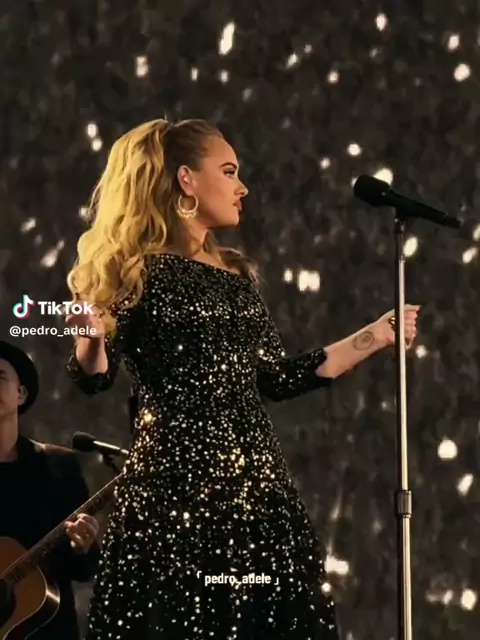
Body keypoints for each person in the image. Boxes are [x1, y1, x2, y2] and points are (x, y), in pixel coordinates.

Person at [65, 118, 419, 640]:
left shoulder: (236, 274)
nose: (242, 187)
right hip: (173, 497)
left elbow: (275, 377)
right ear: (186, 179)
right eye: (229, 171)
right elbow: (94, 377)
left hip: (258, 496)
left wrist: (375, 334)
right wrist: (91, 337)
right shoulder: (135, 271)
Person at [0, 340, 100, 640]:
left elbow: (83, 570)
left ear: (21, 394)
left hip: (49, 630)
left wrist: (83, 547)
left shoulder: (58, 466)